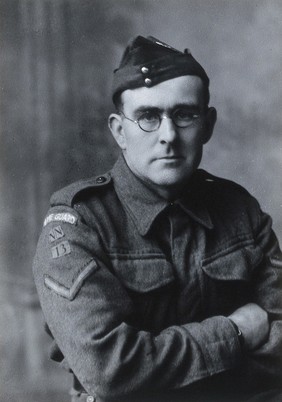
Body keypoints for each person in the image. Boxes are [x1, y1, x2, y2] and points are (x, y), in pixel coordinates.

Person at [33, 36, 282, 402]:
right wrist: (236, 332)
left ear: (208, 125)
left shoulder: (240, 211)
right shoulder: (78, 223)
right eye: (149, 116)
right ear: (119, 130)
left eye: (184, 115)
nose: (168, 136)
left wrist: (154, 379)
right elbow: (110, 370)